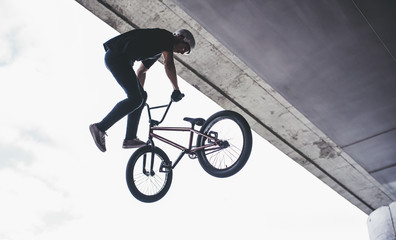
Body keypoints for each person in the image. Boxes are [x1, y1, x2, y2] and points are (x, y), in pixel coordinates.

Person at [89, 28, 196, 152]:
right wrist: (176, 89)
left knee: (140, 97)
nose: (182, 53)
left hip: (121, 60)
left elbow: (141, 71)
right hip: (116, 56)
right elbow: (168, 63)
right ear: (180, 37)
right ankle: (100, 128)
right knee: (136, 98)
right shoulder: (166, 37)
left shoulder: (156, 51)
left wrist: (138, 99)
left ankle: (130, 138)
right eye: (184, 48)